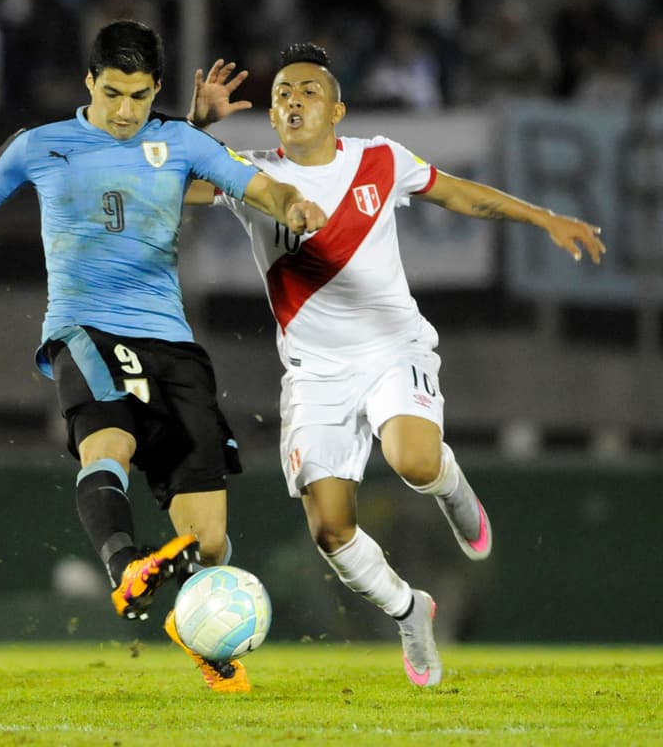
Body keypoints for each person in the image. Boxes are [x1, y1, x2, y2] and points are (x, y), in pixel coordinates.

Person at [0, 20, 327, 693]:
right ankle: (124, 562)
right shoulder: (41, 145)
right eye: (112, 94)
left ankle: (187, 625)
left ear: (156, 89)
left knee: (210, 545)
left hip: (174, 344)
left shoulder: (179, 142)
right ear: (89, 84)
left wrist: (294, 204)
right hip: (86, 330)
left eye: (138, 96)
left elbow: (255, 186)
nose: (126, 110)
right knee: (107, 443)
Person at [185, 42, 606, 687]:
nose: (293, 101)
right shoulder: (251, 176)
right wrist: (198, 130)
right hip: (314, 373)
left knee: (413, 461)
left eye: (308, 92)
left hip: (391, 350)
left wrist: (543, 216)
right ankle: (412, 613)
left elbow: (463, 197)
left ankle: (453, 488)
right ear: (271, 117)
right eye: (282, 95)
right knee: (330, 531)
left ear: (337, 110)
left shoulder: (381, 160)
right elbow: (171, 189)